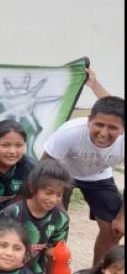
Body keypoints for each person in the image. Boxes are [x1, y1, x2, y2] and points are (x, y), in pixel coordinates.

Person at [42, 95, 125, 263]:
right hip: (61, 174)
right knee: (53, 221)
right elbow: (44, 167)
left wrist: (122, 218)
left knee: (114, 229)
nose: (103, 133)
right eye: (99, 125)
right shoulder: (70, 132)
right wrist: (57, 204)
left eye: (112, 128)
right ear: (89, 121)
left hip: (98, 175)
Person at [0, 161, 71, 274]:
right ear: (33, 187)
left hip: (35, 271)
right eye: (49, 192)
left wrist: (59, 256)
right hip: (3, 268)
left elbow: (50, 251)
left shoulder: (60, 219)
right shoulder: (12, 213)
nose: (53, 199)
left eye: (59, 195)